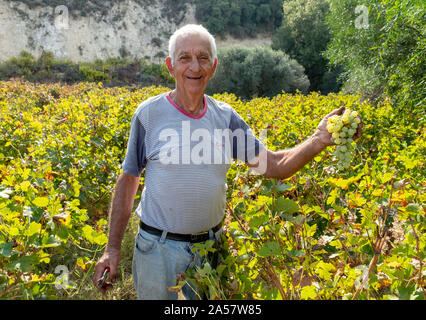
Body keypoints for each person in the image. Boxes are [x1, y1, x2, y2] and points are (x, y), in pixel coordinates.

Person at [92, 24, 362, 299]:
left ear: (214, 66)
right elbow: (128, 180)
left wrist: (318, 140)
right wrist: (112, 249)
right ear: (171, 66)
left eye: (203, 58)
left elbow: (275, 165)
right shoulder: (149, 114)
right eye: (184, 58)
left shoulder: (226, 118)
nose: (194, 67)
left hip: (210, 252)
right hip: (158, 252)